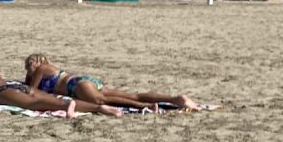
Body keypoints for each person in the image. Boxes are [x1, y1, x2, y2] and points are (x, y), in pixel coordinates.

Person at [0, 56, 122, 115]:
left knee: (33, 104)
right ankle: (97, 107)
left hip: (0, 93)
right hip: (14, 86)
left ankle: (68, 106)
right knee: (51, 97)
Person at [24, 54, 196, 111]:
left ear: (37, 61)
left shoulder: (42, 69)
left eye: (29, 64)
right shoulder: (45, 70)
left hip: (75, 85)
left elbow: (31, 90)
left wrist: (30, 76)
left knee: (101, 101)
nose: (28, 68)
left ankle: (146, 106)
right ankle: (175, 99)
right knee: (131, 95)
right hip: (83, 81)